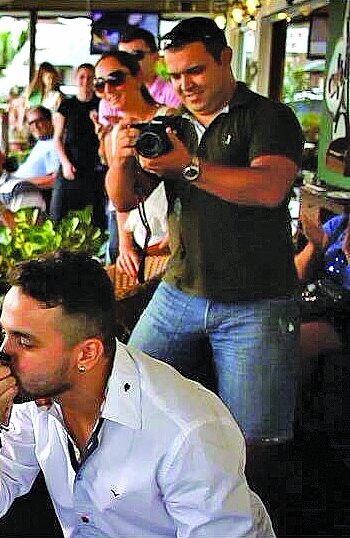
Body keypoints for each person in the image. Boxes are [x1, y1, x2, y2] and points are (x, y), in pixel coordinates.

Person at [105, 17, 304, 530]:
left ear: (225, 58)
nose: (185, 84)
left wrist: (188, 167)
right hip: (180, 288)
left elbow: (268, 189)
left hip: (257, 298)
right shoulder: (171, 124)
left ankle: (252, 523)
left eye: (195, 70)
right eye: (174, 75)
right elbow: (124, 199)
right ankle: (143, 503)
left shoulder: (269, 117)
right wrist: (123, 158)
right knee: (122, 388)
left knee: (254, 435)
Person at [0, 251, 274, 537]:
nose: (3, 353)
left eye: (25, 341)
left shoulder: (187, 431)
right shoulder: (36, 394)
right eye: (5, 333)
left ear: (87, 354)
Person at [94, 50, 176, 277]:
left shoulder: (169, 118)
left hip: (177, 240)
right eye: (100, 85)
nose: (108, 90)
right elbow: (121, 199)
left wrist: (183, 227)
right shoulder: (115, 135)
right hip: (142, 241)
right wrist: (125, 246)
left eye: (115, 80)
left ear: (138, 76)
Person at [294, 209, 349, 366]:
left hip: (342, 316)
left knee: (285, 343)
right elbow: (297, 274)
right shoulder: (340, 224)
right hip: (320, 298)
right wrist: (315, 245)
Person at [52, 63, 104, 225]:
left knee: (94, 219)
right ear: (76, 79)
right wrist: (65, 163)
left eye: (90, 77)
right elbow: (57, 138)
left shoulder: (101, 104)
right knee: (58, 214)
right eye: (82, 77)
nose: (85, 81)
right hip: (70, 164)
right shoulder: (67, 105)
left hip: (94, 167)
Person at [97, 26, 181, 125]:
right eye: (122, 56)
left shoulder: (174, 92)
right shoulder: (108, 101)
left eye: (136, 55)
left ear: (155, 56)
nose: (129, 61)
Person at [11, 106, 60, 215]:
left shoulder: (53, 145)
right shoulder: (42, 142)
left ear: (49, 121)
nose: (35, 126)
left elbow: (54, 179)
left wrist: (20, 182)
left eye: (39, 121)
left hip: (32, 199)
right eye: (31, 123)